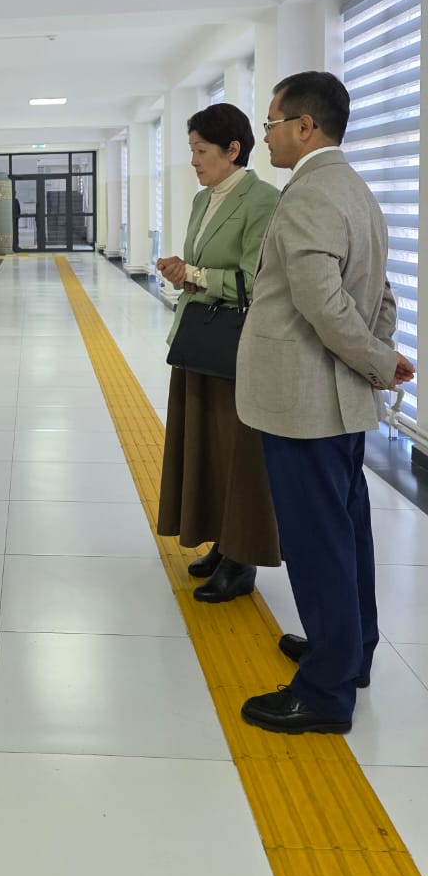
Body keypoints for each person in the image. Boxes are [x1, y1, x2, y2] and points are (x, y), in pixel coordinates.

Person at [237, 72, 414, 735]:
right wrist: (378, 355)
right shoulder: (357, 191)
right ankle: (349, 650)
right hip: (340, 402)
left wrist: (376, 362)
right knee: (346, 532)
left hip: (304, 403)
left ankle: (324, 692)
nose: (267, 136)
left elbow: (322, 304)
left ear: (305, 127)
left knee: (316, 544)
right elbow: (381, 296)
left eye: (272, 123)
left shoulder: (311, 194)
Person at [156, 103, 280, 602]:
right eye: (191, 150)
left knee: (236, 452)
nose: (193, 161)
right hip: (198, 340)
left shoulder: (262, 200)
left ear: (233, 150)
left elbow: (255, 280)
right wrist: (183, 271)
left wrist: (195, 275)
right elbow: (202, 267)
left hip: (234, 348)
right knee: (203, 445)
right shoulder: (202, 200)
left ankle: (242, 558)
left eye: (201, 150)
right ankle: (220, 542)